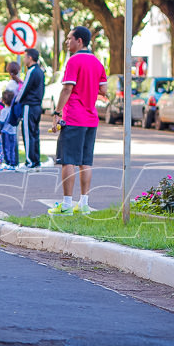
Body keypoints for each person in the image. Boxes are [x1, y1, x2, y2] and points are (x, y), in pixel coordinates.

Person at [47, 26, 107, 215]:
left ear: (79, 41)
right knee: (86, 162)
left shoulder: (74, 61)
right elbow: (104, 90)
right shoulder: (98, 62)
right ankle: (84, 204)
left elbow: (67, 89)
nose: (67, 42)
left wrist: (57, 112)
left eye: (69, 38)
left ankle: (66, 205)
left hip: (74, 117)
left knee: (68, 161)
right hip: (91, 119)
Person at [15, 48, 45, 171]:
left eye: (25, 57)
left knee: (28, 134)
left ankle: (29, 162)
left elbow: (24, 89)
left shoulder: (32, 71)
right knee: (34, 134)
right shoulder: (40, 71)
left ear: (30, 58)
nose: (24, 59)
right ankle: (36, 161)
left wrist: (17, 101)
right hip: (37, 106)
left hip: (29, 106)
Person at [0, 88, 19, 170]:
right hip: (13, 131)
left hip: (5, 131)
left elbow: (1, 122)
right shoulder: (13, 110)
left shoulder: (3, 111)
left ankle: (8, 162)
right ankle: (13, 162)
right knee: (12, 147)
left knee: (6, 147)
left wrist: (0, 130)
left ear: (3, 100)